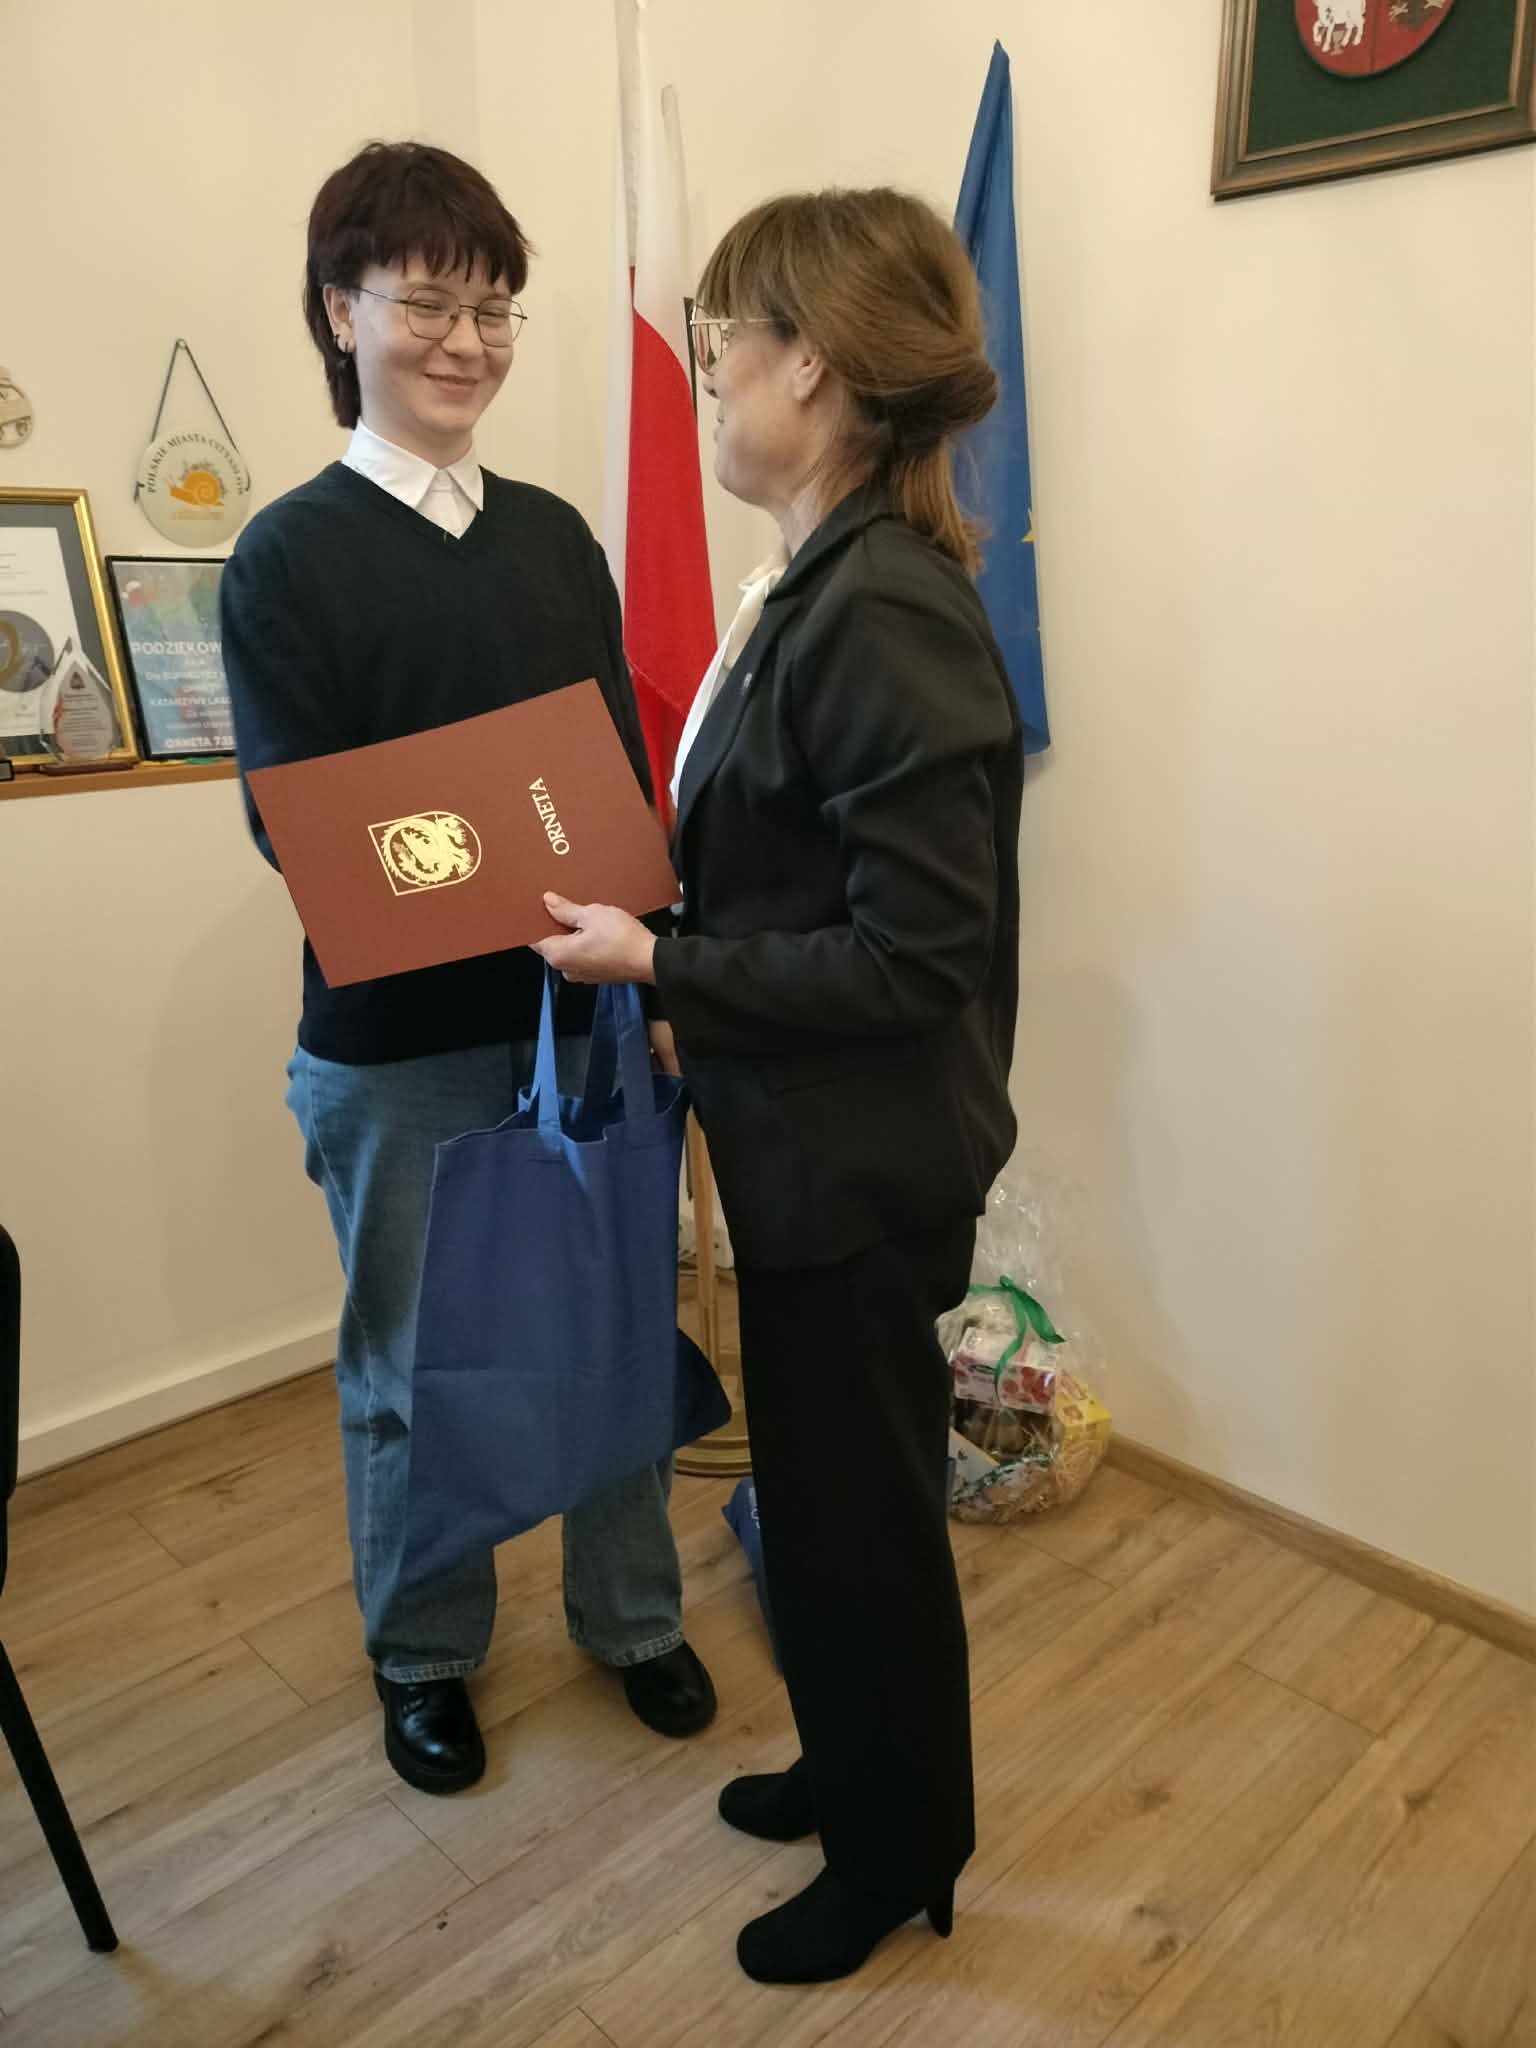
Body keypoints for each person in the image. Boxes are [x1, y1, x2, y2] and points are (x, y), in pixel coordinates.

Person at [536, 186, 1023, 1983]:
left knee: (863, 1520)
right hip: (808, 1143)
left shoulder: (881, 604)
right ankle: (851, 1766)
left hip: (862, 1171)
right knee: (815, 1507)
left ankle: (902, 1852)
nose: (711, 375)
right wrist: (689, 962)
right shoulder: (825, 581)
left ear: (812, 368)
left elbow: (917, 956)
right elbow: (799, 884)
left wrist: (666, 968)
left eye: (723, 343)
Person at [221, 141, 716, 1797]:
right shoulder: (286, 556)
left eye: (495, 308)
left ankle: (631, 1617)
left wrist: (648, 979)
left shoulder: (559, 538)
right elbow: (300, 830)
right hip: (397, 1048)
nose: (467, 341)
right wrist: (509, 861)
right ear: (339, 312)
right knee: (413, 1370)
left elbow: (618, 784)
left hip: (584, 1016)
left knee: (614, 1330)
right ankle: (425, 1653)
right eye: (428, 301)